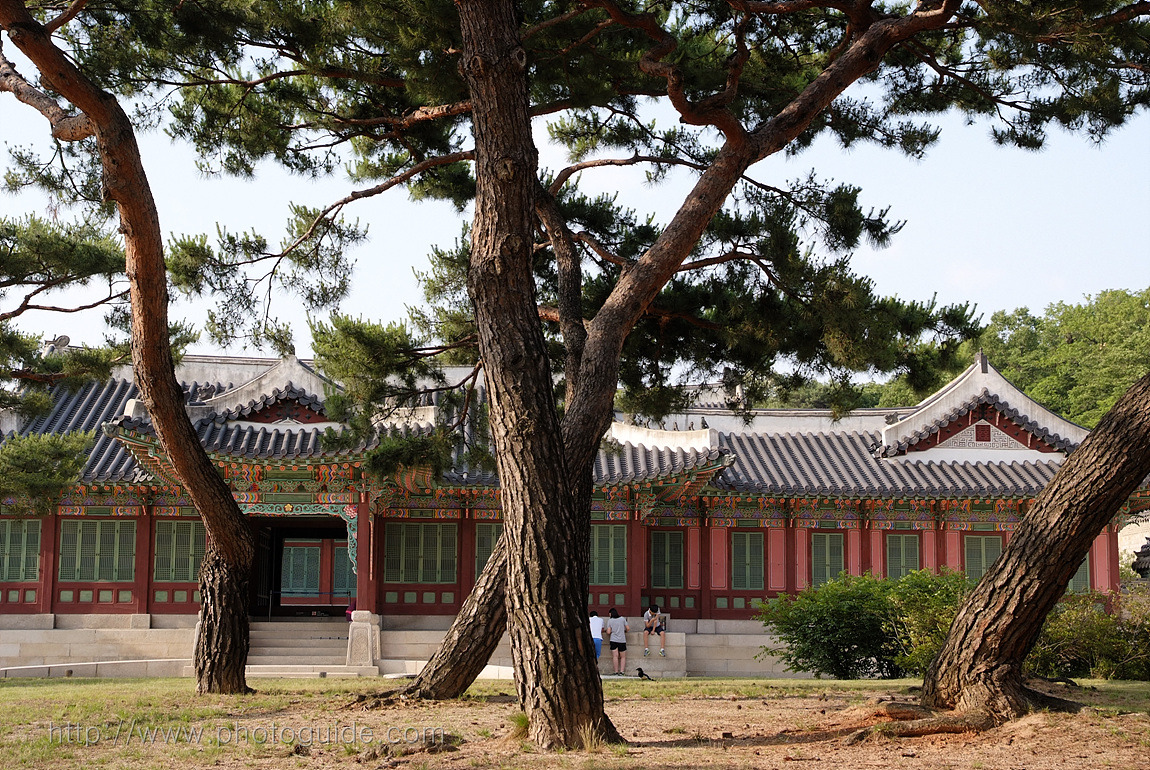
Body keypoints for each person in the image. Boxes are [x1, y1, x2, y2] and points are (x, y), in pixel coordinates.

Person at [605, 607, 629, 675]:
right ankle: (622, 671)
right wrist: (624, 631)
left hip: (613, 639)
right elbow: (628, 628)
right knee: (623, 657)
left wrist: (606, 631)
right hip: (622, 639)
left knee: (615, 656)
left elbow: (609, 632)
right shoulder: (622, 619)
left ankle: (615, 671)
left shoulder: (610, 621)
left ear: (610, 614)